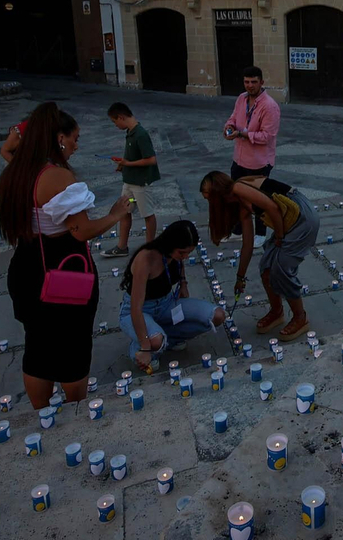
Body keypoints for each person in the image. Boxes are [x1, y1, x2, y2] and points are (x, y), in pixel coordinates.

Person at [0, 102, 131, 408]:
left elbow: (9, 152)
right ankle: (75, 413)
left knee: (37, 345)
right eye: (74, 139)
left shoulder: (15, 174)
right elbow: (79, 231)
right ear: (59, 138)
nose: (76, 146)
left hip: (25, 267)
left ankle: (40, 413)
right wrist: (115, 214)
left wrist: (12, 140)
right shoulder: (56, 176)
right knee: (72, 345)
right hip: (60, 271)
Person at [199, 171, 319, 341]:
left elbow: (273, 208)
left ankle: (301, 317)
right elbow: (247, 244)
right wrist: (240, 277)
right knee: (266, 267)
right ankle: (277, 312)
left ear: (218, 193)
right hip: (288, 222)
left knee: (282, 268)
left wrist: (279, 237)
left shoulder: (239, 187)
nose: (210, 203)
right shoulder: (240, 203)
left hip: (302, 218)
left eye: (209, 198)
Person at [118, 220, 227, 370]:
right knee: (155, 342)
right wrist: (145, 347)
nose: (185, 257)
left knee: (217, 316)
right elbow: (135, 309)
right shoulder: (146, 258)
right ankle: (140, 347)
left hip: (167, 303)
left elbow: (179, 264)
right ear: (170, 243)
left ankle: (164, 338)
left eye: (188, 252)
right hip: (140, 310)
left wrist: (183, 283)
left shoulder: (174, 256)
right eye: (182, 252)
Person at [224, 66, 280, 243]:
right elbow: (233, 118)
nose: (250, 86)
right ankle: (238, 230)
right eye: (247, 82)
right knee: (237, 196)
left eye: (254, 82)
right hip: (239, 158)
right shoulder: (241, 98)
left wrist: (242, 134)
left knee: (258, 199)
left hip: (259, 162)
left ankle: (261, 234)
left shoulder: (270, 106)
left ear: (261, 82)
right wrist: (229, 127)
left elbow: (267, 136)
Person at [102, 102, 159, 258]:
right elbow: (134, 156)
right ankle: (122, 246)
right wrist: (123, 165)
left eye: (115, 122)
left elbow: (151, 159)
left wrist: (128, 163)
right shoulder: (131, 132)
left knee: (147, 214)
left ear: (121, 117)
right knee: (125, 211)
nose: (115, 125)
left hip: (141, 183)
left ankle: (149, 248)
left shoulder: (140, 134)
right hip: (129, 181)